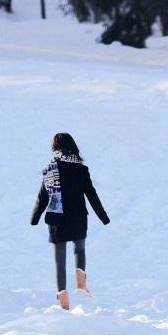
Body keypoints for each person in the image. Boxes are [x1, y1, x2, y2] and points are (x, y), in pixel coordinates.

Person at [31, 132, 110, 310]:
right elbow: (92, 195)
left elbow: (42, 197)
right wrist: (103, 217)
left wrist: (34, 218)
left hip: (57, 219)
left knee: (59, 262)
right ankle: (81, 285)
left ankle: (63, 304)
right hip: (78, 217)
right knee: (79, 250)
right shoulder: (81, 170)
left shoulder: (51, 169)